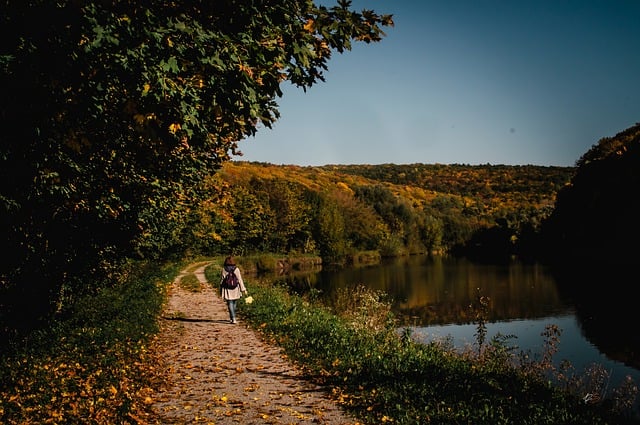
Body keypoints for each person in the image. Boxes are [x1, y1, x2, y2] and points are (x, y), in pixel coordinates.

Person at [220, 256, 248, 324]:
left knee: (230, 303)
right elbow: (240, 279)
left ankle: (233, 318)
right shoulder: (236, 269)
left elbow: (222, 280)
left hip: (227, 288)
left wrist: (221, 288)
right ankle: (233, 317)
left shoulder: (224, 269)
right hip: (235, 288)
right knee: (234, 302)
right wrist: (243, 289)